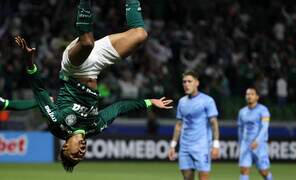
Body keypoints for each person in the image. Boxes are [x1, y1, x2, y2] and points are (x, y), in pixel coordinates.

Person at [14, 0, 173, 172]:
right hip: (96, 66)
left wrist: (29, 62)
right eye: (81, 156)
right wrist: (149, 102)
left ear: (64, 147)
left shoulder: (57, 124)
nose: (81, 152)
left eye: (75, 154)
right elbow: (118, 108)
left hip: (73, 68)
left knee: (87, 43)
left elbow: (40, 93)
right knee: (140, 34)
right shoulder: (94, 127)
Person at [168, 71, 220, 180]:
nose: (186, 84)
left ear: (197, 83)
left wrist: (216, 145)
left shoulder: (207, 101)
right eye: (184, 82)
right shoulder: (182, 102)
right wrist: (173, 145)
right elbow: (178, 125)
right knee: (187, 178)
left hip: (202, 146)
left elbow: (214, 123)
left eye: (189, 81)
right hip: (185, 147)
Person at [237, 87, 273, 180]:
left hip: (260, 145)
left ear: (257, 97)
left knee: (264, 171)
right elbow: (240, 129)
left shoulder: (263, 110)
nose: (249, 96)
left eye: (252, 94)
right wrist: (240, 143)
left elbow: (265, 127)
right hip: (246, 145)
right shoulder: (242, 112)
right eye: (247, 94)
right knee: (244, 170)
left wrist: (257, 141)